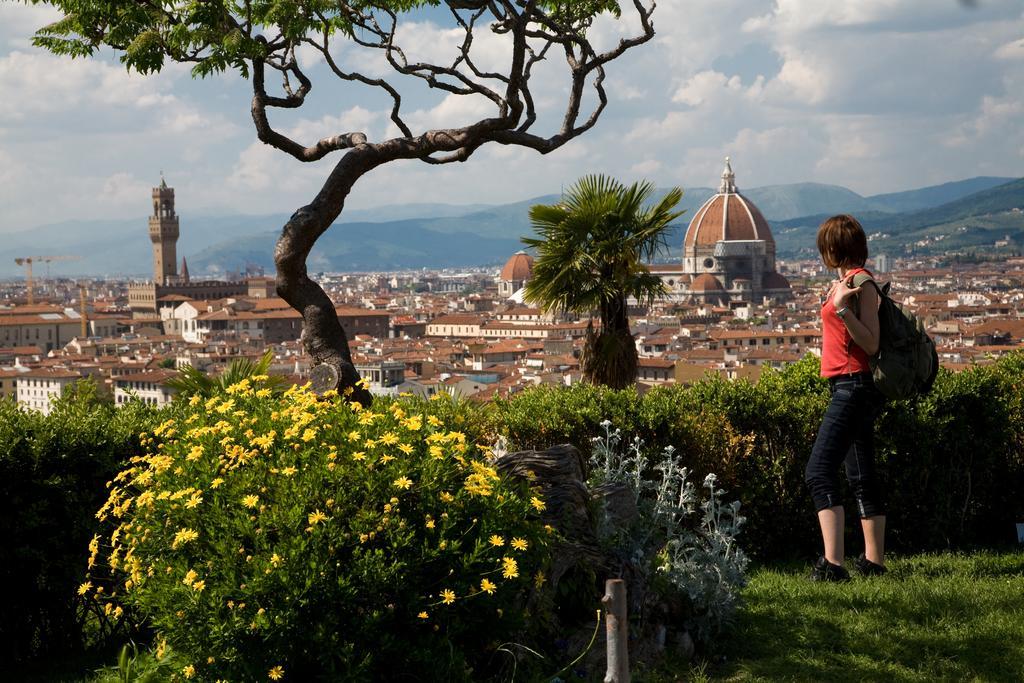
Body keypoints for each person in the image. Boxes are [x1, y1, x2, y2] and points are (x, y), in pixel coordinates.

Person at [805, 214, 888, 581]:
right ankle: (873, 563)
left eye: (825, 245)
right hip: (848, 383)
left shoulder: (862, 284)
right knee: (860, 473)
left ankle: (833, 565)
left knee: (818, 471)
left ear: (834, 248)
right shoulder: (847, 282)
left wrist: (840, 308)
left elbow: (871, 342)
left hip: (853, 384)